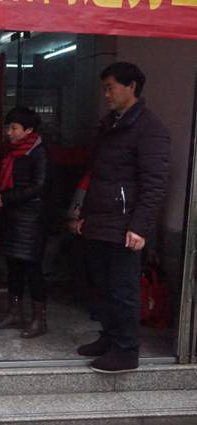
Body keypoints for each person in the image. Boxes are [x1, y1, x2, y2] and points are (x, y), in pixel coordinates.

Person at [76, 62, 170, 373]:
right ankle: (110, 336)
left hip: (126, 224)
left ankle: (127, 350)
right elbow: (97, 176)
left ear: (131, 87)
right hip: (100, 220)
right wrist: (84, 215)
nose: (106, 94)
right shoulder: (109, 125)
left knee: (123, 290)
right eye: (104, 88)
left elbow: (154, 183)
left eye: (110, 88)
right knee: (102, 287)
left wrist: (140, 227)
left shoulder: (150, 128)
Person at [0, 107, 48, 338]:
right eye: (8, 127)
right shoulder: (12, 152)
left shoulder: (38, 152)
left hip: (32, 219)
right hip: (12, 216)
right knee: (13, 267)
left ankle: (39, 319)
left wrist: (7, 198)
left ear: (28, 130)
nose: (9, 132)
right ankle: (14, 312)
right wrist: (0, 196)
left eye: (14, 128)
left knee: (32, 269)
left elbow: (39, 186)